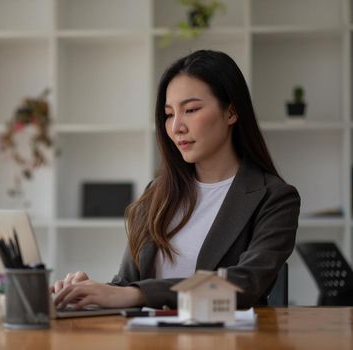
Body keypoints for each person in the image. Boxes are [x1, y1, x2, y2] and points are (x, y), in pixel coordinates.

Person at [52, 50, 300, 310]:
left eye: (190, 110)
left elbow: (246, 285)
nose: (176, 127)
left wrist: (137, 294)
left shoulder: (274, 197)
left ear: (231, 112)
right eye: (169, 114)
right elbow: (128, 285)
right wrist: (87, 292)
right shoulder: (157, 192)